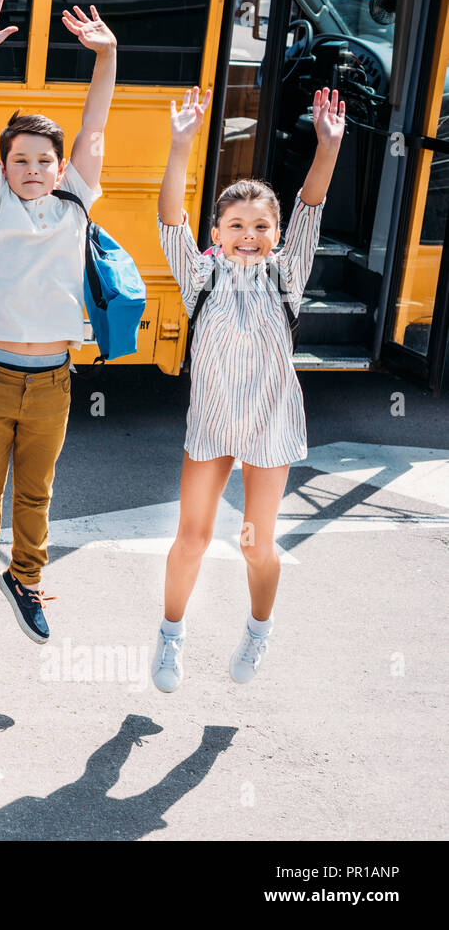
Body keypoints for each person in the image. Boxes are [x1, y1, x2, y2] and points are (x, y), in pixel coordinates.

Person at [151, 86, 343, 691]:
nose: (249, 235)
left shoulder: (287, 275)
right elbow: (168, 217)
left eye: (261, 226)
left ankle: (259, 631)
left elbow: (311, 205)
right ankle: (170, 637)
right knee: (192, 539)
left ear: (277, 234)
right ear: (218, 230)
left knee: (256, 545)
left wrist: (327, 148)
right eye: (236, 225)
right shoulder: (200, 275)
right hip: (211, 426)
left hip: (269, 425)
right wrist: (182, 142)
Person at [0, 0, 118, 640]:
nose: (33, 169)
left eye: (44, 160)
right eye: (20, 159)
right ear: (3, 166)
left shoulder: (76, 200)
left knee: (35, 494)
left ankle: (24, 577)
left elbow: (95, 129)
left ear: (61, 167)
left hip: (53, 379)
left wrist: (107, 57)